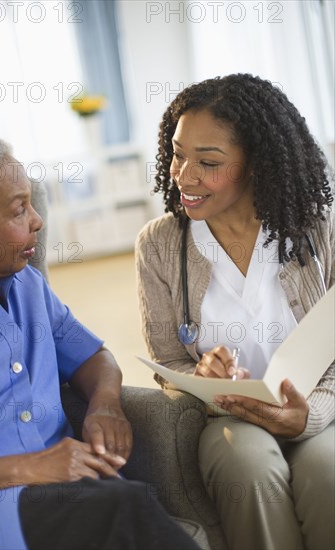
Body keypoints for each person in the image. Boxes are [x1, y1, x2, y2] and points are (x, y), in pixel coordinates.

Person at [0, 132, 202, 550]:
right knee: (122, 505)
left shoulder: (27, 285)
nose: (37, 221)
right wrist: (29, 468)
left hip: (76, 493)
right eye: (18, 209)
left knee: (120, 502)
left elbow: (90, 354)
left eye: (31, 202)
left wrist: (105, 403)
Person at [135, 74, 334, 550]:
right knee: (249, 470)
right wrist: (203, 376)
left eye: (208, 162)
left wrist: (311, 416)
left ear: (258, 166)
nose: (183, 175)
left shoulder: (320, 230)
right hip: (227, 421)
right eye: (178, 154)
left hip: (322, 407)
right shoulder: (160, 245)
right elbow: (169, 363)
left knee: (328, 474)